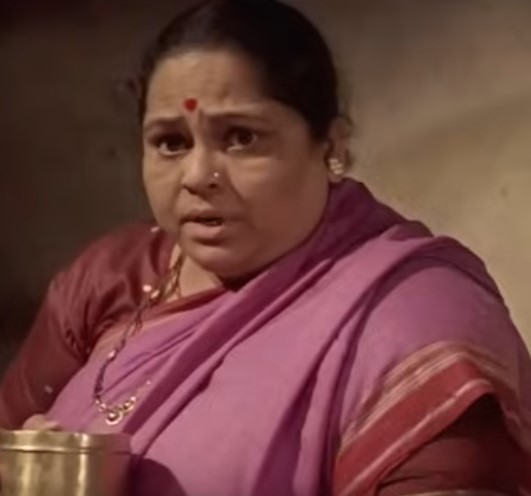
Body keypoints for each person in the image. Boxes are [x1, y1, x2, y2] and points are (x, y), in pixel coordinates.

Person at [0, 1, 529, 494]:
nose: (198, 176)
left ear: (332, 145)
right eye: (171, 142)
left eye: (241, 138)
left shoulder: (414, 319)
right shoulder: (112, 278)